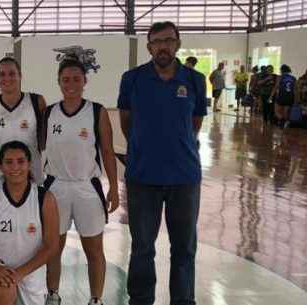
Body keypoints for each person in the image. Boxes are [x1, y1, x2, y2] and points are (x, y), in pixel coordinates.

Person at [117, 21, 206, 305]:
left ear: (178, 44)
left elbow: (195, 123)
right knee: (142, 247)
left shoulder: (195, 79)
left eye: (168, 40)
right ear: (149, 47)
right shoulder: (132, 79)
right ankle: (141, 300)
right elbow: (126, 122)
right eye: (157, 41)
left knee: (184, 248)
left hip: (185, 178)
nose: (163, 46)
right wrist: (146, 149)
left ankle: (183, 300)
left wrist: (177, 146)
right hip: (143, 177)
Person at [44, 59, 120, 305]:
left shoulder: (96, 111)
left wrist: (114, 188)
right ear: (58, 82)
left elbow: (107, 152)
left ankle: (95, 299)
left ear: (85, 81)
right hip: (56, 188)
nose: (71, 83)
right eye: (66, 79)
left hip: (87, 187)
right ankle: (53, 295)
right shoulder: (49, 112)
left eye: (77, 78)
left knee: (94, 250)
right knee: (53, 248)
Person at [0, 141, 60, 305]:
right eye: (8, 162)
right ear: (0, 166)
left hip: (31, 270)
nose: (15, 167)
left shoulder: (45, 199)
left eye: (20, 161)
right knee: (4, 290)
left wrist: (20, 273)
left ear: (29, 164)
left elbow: (52, 246)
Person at [0, 58, 46, 187]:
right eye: (2, 74)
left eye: (12, 73)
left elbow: (44, 140)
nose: (7, 78)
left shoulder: (36, 102)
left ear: (20, 75)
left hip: (31, 177)